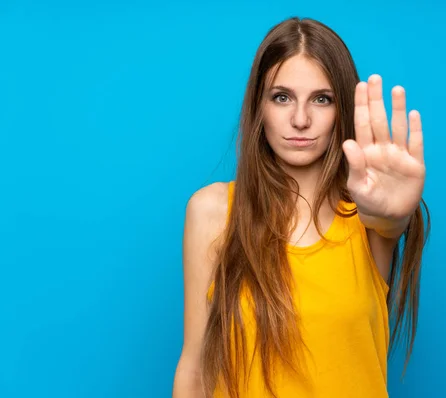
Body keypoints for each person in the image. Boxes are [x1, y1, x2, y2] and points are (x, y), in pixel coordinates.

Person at [172, 16, 430, 398]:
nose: (300, 119)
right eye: (282, 97)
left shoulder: (367, 217)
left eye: (321, 99)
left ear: (342, 108)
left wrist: (394, 214)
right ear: (259, 105)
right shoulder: (212, 212)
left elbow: (388, 221)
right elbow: (194, 370)